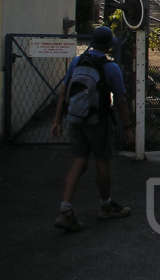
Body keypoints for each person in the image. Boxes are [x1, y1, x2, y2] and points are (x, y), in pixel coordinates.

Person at [51, 25, 134, 232]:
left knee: (79, 161)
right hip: (98, 122)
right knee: (102, 162)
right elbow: (121, 100)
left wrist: (57, 121)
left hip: (74, 119)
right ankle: (106, 206)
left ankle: (65, 210)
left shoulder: (77, 61)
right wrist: (127, 127)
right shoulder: (111, 68)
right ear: (108, 46)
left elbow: (64, 92)